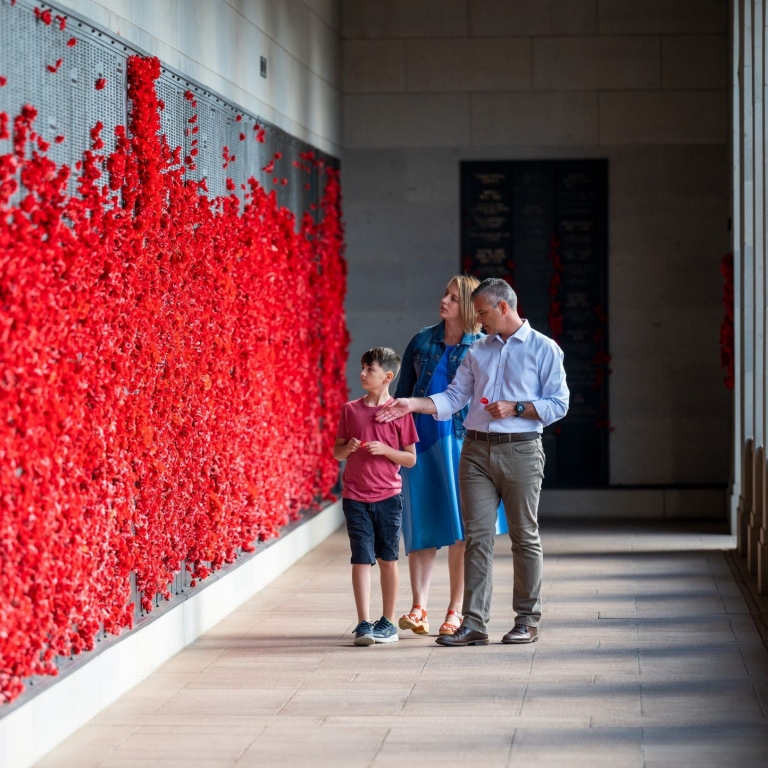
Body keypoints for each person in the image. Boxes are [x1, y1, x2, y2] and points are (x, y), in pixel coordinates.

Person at [377, 278, 568, 646]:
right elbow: (452, 397)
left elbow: (559, 405)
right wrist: (412, 404)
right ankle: (474, 623)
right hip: (476, 452)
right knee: (475, 538)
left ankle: (527, 620)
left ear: (502, 308)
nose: (477, 320)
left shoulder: (545, 349)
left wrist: (519, 408)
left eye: (481, 312)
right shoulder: (478, 351)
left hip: (522, 450)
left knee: (523, 536)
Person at [395, 275, 508, 638]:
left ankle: (456, 610)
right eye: (444, 294)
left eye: (453, 298)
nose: (444, 301)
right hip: (421, 441)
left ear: (470, 308)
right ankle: (419, 606)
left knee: (462, 529)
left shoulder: (484, 345)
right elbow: (404, 395)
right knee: (422, 523)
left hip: (462, 442)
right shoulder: (422, 340)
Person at [334, 347, 419, 646]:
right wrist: (350, 448)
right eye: (363, 367)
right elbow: (337, 451)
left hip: (388, 497)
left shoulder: (398, 412)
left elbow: (410, 459)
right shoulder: (350, 410)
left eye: (369, 369)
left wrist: (385, 451)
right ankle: (362, 623)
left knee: (387, 559)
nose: (362, 374)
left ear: (388, 377)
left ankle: (388, 622)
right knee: (360, 558)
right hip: (355, 497)